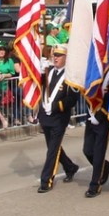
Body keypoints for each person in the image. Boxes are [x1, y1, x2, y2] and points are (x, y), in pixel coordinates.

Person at [36, 45, 79, 193]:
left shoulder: (70, 76)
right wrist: (40, 72)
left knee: (52, 151)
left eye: (59, 55)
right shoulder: (48, 72)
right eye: (55, 55)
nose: (55, 58)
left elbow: (72, 99)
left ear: (66, 58)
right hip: (46, 117)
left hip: (59, 118)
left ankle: (46, 180)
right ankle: (70, 167)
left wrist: (55, 107)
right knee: (53, 147)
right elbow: (38, 87)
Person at [82, 70, 109, 198]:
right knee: (87, 150)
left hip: (104, 119)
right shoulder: (94, 71)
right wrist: (92, 111)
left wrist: (100, 114)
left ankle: (95, 185)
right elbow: (88, 92)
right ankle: (106, 167)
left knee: (99, 153)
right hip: (91, 116)